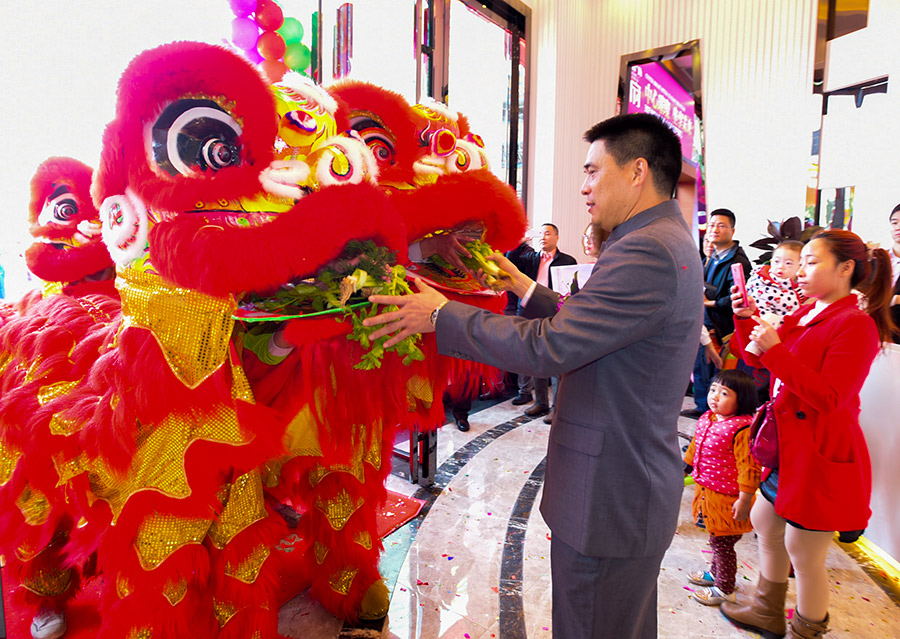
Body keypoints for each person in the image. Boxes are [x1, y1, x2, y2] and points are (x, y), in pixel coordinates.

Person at [361, 112, 703, 639]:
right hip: (626, 485)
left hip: (610, 493)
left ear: (637, 171)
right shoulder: (663, 236)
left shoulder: (646, 249)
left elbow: (553, 346)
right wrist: (522, 284)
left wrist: (439, 315)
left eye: (592, 171)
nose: (584, 188)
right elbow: (593, 327)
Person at [721, 229, 895, 639]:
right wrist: (746, 322)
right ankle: (767, 606)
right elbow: (756, 359)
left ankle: (807, 626)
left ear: (846, 268)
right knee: (766, 519)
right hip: (789, 444)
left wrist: (776, 350)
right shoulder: (806, 311)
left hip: (819, 448)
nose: (800, 271)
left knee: (805, 550)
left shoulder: (856, 325)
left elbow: (831, 397)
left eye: (812, 262)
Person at [683, 369, 761, 606]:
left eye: (724, 393)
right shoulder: (709, 418)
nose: (715, 396)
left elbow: (749, 467)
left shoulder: (742, 429)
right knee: (716, 539)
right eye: (713, 390)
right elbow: (695, 446)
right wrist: (684, 467)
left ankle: (724, 588)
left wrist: (745, 499)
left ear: (743, 399)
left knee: (723, 544)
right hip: (707, 493)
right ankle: (716, 575)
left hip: (728, 499)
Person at [682, 209, 751, 418]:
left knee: (715, 372)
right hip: (705, 321)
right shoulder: (712, 256)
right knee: (701, 369)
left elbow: (739, 297)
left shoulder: (738, 261)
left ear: (733, 230)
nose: (714, 230)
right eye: (712, 225)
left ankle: (712, 414)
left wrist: (710, 303)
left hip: (721, 326)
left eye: (721, 226)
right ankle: (703, 409)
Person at [504, 223, 577, 417]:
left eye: (548, 234)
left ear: (556, 237)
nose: (543, 237)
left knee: (553, 357)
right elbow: (510, 260)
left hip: (554, 310)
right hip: (529, 310)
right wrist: (519, 241)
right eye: (541, 234)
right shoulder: (530, 258)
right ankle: (541, 402)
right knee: (534, 355)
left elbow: (571, 287)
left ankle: (556, 408)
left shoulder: (567, 260)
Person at [888, 204, 900, 343]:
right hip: (875, 328)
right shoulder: (877, 258)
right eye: (894, 222)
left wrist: (894, 299)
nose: (898, 227)